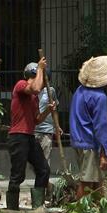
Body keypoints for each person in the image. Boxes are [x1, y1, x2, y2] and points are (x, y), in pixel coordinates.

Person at [6, 58, 56, 211]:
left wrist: (48, 110)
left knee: (43, 169)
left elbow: (37, 119)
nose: (42, 86)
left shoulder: (34, 99)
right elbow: (34, 88)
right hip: (17, 136)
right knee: (18, 174)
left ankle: (38, 206)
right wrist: (41, 68)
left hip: (29, 136)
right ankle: (12, 209)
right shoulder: (21, 85)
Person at [69, 56, 107, 199]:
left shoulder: (79, 91)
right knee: (86, 181)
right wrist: (104, 153)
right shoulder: (99, 97)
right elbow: (100, 126)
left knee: (97, 179)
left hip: (78, 139)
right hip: (89, 142)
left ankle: (100, 212)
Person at [32, 64, 61, 194]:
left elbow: (55, 110)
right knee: (35, 165)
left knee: (45, 164)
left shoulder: (51, 91)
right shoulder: (32, 90)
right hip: (33, 131)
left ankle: (41, 194)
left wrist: (57, 126)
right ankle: (48, 187)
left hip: (46, 132)